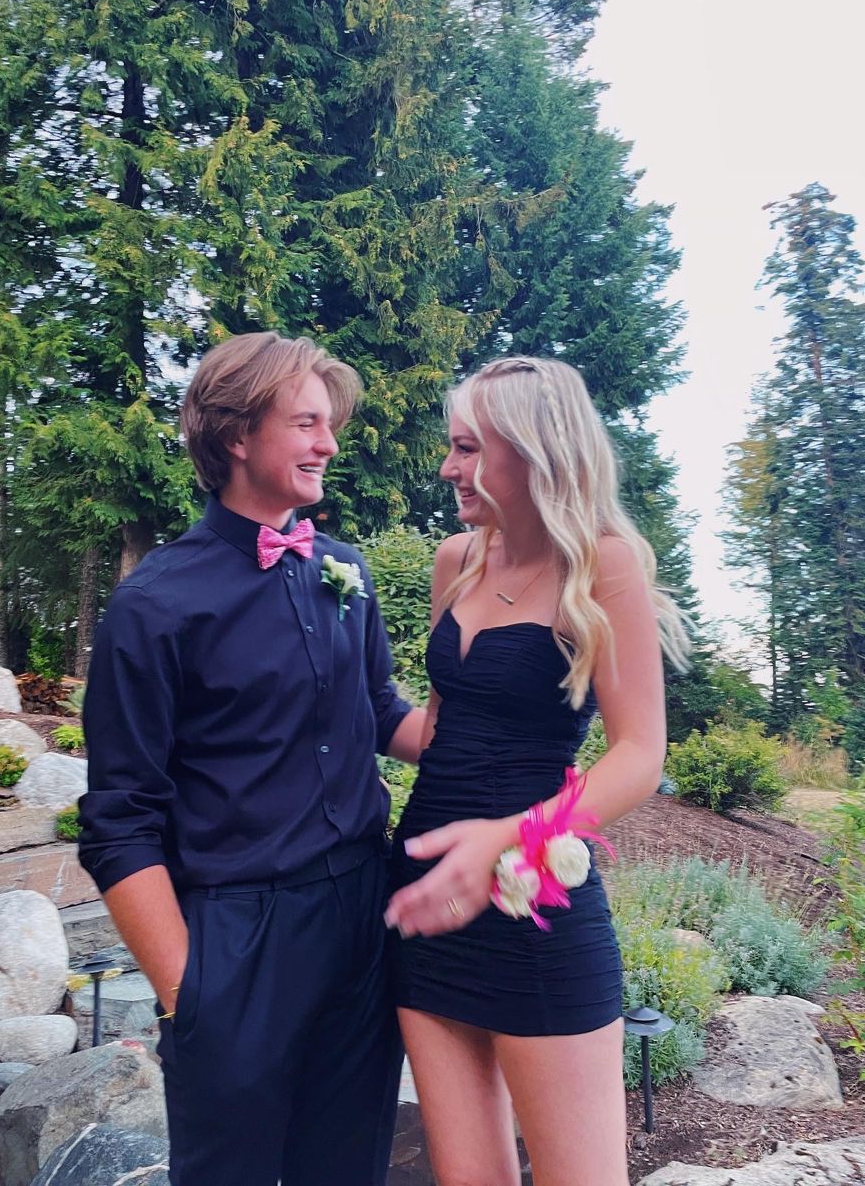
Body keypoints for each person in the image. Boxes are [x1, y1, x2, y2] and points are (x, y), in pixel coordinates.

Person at [78, 331, 425, 1186]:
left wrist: (504, 713)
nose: (329, 444)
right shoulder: (154, 605)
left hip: (362, 916)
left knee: (348, 1171)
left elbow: (382, 713)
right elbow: (119, 821)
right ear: (237, 435)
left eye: (329, 424)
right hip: (236, 935)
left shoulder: (346, 571)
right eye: (307, 423)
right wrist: (189, 996)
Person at [384, 356, 690, 1186]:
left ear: (534, 452)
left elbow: (639, 755)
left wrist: (506, 839)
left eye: (468, 449)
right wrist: (332, 706)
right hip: (430, 905)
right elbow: (440, 735)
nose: (448, 468)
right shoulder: (457, 560)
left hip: (533, 910)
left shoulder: (603, 564)